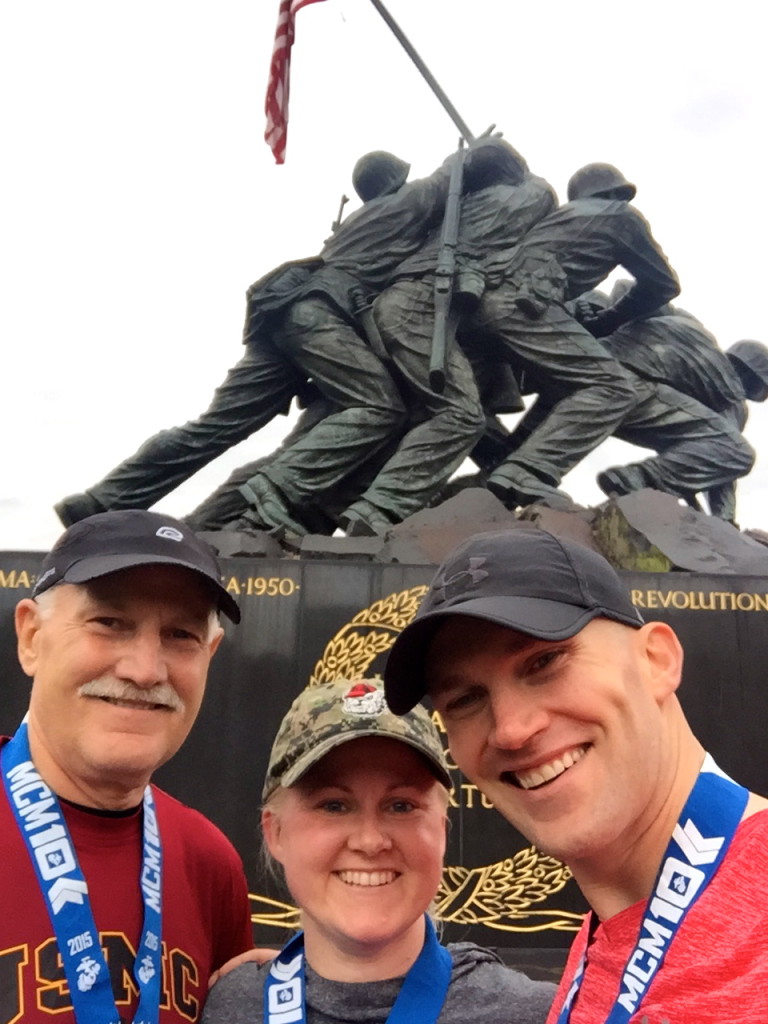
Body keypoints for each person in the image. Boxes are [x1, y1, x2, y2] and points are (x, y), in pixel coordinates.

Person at [383, 528, 768, 1023]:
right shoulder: (605, 938)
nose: (512, 730)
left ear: (656, 660)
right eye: (465, 700)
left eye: (545, 661)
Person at [2, 509, 254, 1023]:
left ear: (211, 654)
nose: (144, 670)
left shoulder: (210, 863)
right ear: (32, 636)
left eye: (180, 634)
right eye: (110, 623)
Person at [201, 677, 556, 1024]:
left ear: (442, 830)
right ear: (275, 832)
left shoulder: (536, 1014)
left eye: (401, 806)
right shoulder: (232, 1006)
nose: (370, 842)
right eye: (334, 806)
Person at [461, 162, 679, 509]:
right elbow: (663, 284)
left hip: (473, 309)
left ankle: (493, 469)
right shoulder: (622, 216)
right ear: (614, 193)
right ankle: (524, 472)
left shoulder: (555, 220)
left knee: (460, 406)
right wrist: (610, 319)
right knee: (612, 389)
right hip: (522, 306)